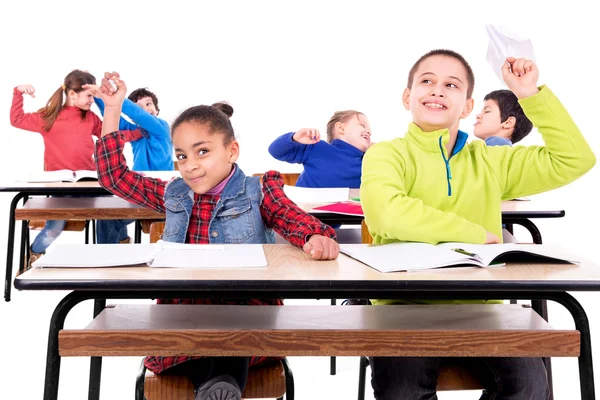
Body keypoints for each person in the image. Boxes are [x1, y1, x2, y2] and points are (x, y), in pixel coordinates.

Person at [360, 49, 596, 399]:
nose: (438, 91)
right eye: (427, 81)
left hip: (480, 307)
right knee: (403, 389)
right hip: (402, 307)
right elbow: (388, 213)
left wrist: (529, 94)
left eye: (451, 85)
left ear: (467, 106)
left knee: (531, 383)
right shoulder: (386, 154)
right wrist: (474, 234)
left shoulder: (490, 160)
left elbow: (575, 159)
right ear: (408, 97)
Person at [94, 71, 339, 400]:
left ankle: (218, 385)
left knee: (231, 340)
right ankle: (217, 385)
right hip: (183, 313)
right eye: (181, 155)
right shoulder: (175, 193)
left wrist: (313, 236)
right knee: (192, 345)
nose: (190, 165)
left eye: (202, 152)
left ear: (232, 151)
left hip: (246, 313)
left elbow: (288, 215)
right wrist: (112, 110)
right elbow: (114, 177)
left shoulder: (258, 189)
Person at [10, 70, 107, 267]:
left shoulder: (91, 118)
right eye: (89, 96)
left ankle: (118, 248)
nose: (92, 100)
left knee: (113, 215)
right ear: (72, 94)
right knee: (54, 229)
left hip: (88, 184)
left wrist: (139, 132)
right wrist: (17, 93)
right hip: (59, 187)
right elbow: (16, 119)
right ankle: (33, 256)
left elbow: (110, 135)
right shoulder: (49, 117)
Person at [94, 87, 173, 244]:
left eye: (149, 104)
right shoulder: (135, 132)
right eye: (140, 106)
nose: (146, 109)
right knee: (106, 215)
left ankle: (113, 251)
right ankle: (119, 246)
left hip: (161, 195)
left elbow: (139, 115)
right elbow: (111, 114)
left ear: (156, 110)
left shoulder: (162, 128)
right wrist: (98, 95)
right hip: (139, 191)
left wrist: (119, 98)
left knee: (110, 217)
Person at [268, 110, 372, 188]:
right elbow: (276, 151)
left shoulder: (370, 161)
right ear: (341, 128)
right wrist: (294, 138)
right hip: (304, 212)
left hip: (348, 215)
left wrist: (380, 151)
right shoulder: (317, 147)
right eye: (363, 125)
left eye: (369, 129)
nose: (369, 131)